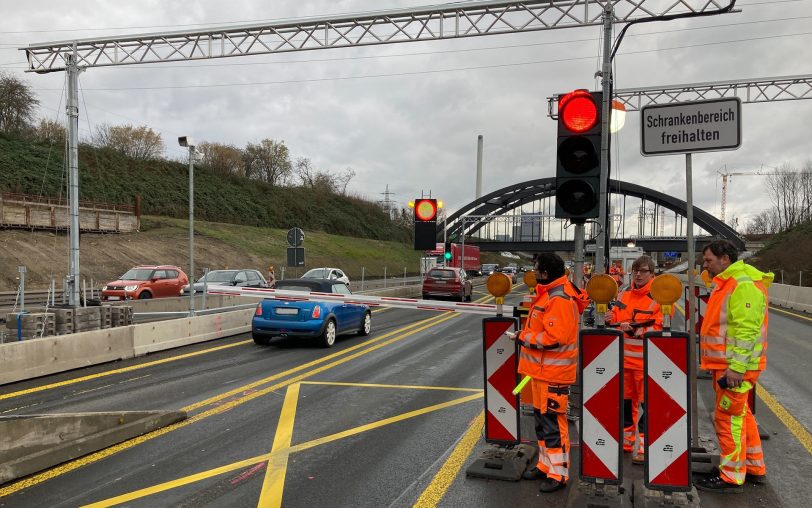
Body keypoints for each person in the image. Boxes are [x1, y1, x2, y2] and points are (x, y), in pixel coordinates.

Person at [694, 240, 772, 493]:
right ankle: (753, 466)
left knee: (728, 420)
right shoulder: (731, 282)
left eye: (708, 260)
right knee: (742, 416)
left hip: (736, 368)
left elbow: (746, 331)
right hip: (729, 365)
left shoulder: (741, 285)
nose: (705, 265)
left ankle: (731, 475)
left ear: (725, 259)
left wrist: (737, 368)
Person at [514, 253, 588, 493]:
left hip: (553, 374)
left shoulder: (559, 299)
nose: (533, 273)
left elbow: (555, 338)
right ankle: (545, 466)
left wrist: (523, 337)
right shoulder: (550, 295)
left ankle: (559, 474)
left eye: (536, 269)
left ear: (545, 273)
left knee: (554, 426)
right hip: (541, 373)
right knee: (543, 425)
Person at [605, 255, 670, 463]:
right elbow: (616, 317)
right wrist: (610, 319)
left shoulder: (658, 297)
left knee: (647, 407)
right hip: (623, 362)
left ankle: (643, 450)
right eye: (635, 271)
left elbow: (660, 327)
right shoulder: (624, 294)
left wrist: (635, 331)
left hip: (646, 363)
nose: (638, 275)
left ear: (652, 274)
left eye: (643, 271)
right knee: (625, 406)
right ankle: (626, 443)